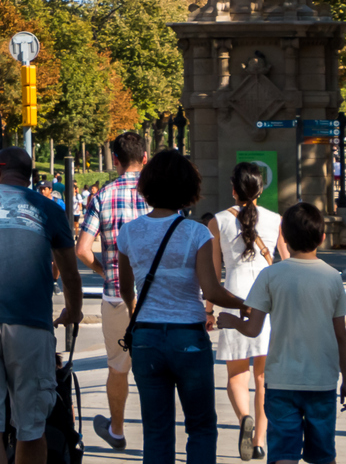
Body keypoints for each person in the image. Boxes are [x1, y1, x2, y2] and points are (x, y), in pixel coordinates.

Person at [0, 146, 85, 460]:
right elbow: (69, 273)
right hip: (31, 324)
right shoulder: (50, 209)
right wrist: (74, 311)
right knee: (32, 426)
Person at [117, 150, 250, 464]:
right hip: (187, 338)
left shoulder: (129, 232)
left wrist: (138, 309)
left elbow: (126, 288)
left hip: (146, 339)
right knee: (201, 426)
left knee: (156, 430)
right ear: (188, 188)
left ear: (147, 186)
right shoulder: (196, 233)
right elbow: (213, 291)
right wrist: (244, 304)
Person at [226, 202, 346, 464]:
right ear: (322, 237)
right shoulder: (332, 277)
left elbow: (252, 329)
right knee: (323, 455)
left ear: (283, 235)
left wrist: (231, 321)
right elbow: (341, 335)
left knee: (284, 453)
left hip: (281, 382)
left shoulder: (271, 275)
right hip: (322, 382)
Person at [80, 130, 149, 453]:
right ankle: (157, 435)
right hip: (153, 299)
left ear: (116, 161)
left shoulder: (102, 196)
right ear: (145, 159)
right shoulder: (157, 196)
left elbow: (82, 249)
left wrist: (106, 270)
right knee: (154, 370)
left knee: (118, 368)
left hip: (116, 297)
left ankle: (117, 431)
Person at [213, 162, 286, 461]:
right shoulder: (276, 220)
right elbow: (288, 260)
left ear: (233, 189)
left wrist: (208, 310)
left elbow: (214, 270)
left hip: (233, 295)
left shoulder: (217, 221)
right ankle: (259, 441)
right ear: (260, 190)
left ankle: (244, 416)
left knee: (236, 374)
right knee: (263, 378)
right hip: (267, 298)